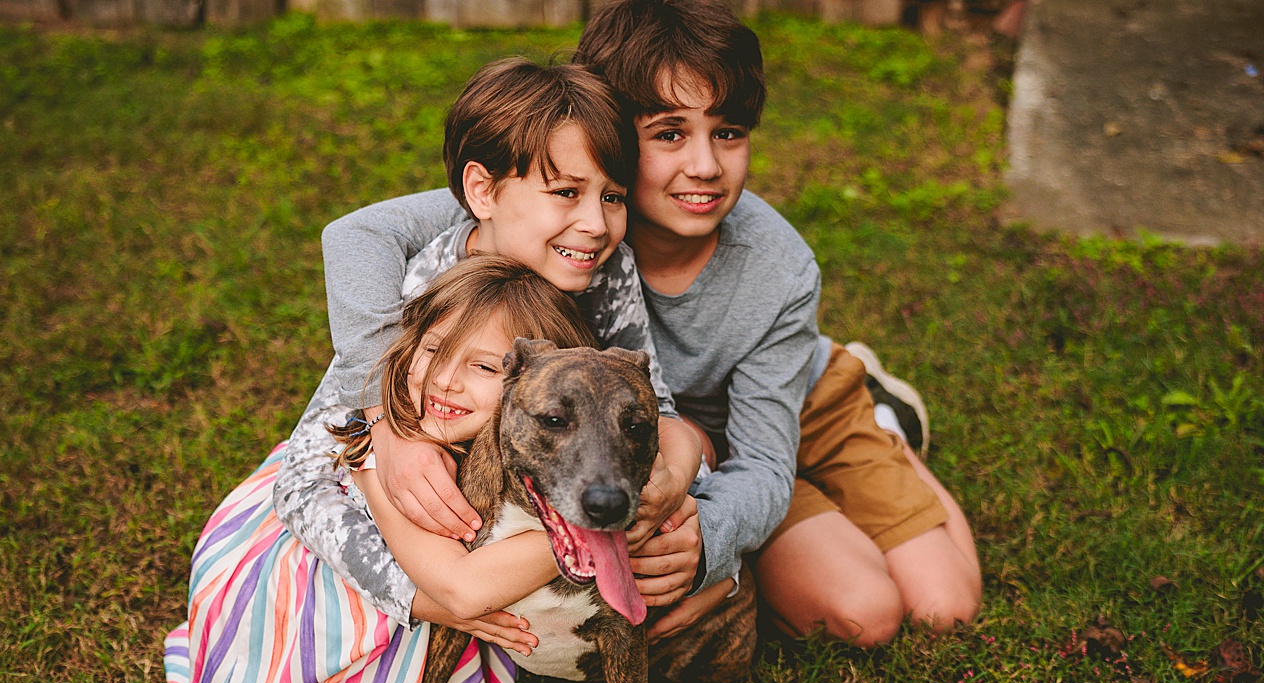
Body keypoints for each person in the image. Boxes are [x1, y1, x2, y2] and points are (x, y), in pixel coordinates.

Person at [306, 0, 980, 649]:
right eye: (666, 134)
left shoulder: (776, 270)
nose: (705, 166)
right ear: (607, 135)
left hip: (797, 404)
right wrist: (383, 420)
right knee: (863, 612)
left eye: (729, 133)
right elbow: (361, 232)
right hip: (667, 438)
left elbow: (761, 463)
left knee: (945, 606)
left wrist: (708, 547)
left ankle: (889, 420)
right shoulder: (550, 215)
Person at [165, 257, 600, 683]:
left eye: (484, 366)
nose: (445, 381)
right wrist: (607, 529)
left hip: (426, 581)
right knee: (358, 644)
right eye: (433, 351)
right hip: (312, 580)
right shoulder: (393, 447)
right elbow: (458, 589)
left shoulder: (517, 454)